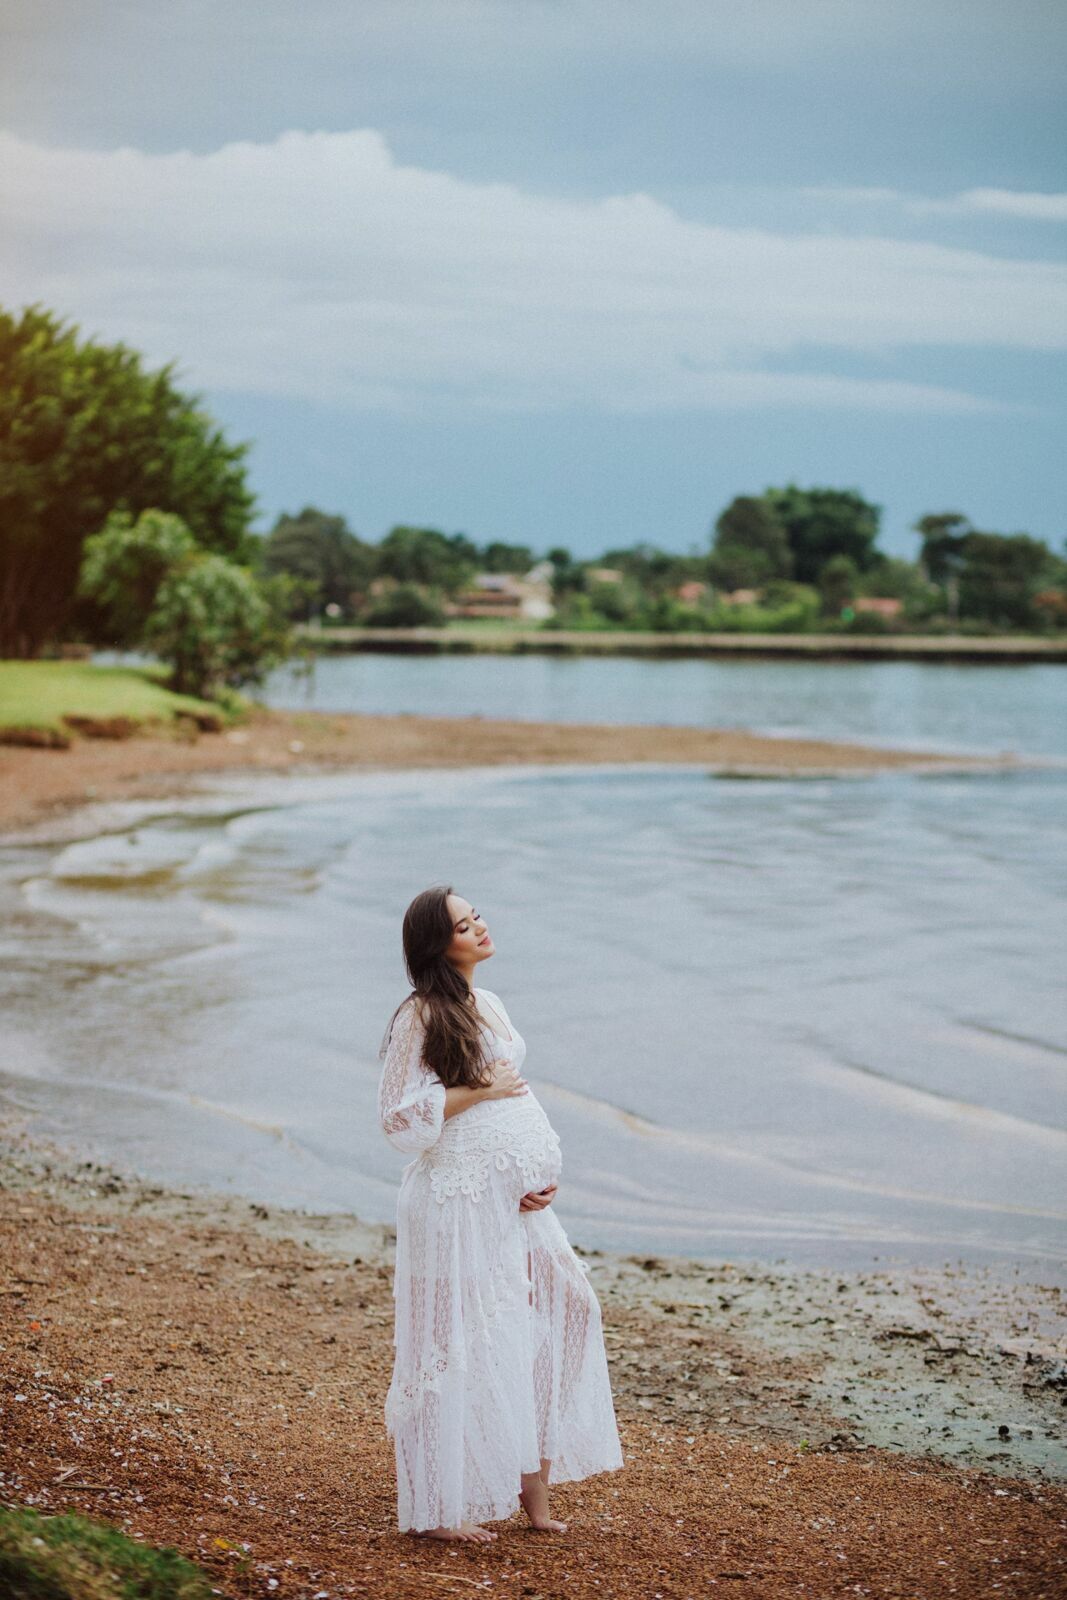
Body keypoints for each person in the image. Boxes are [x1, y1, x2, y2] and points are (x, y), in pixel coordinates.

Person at [377, 885, 625, 1542]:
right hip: (453, 1203)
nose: (480, 927)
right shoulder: (418, 1015)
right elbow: (399, 1120)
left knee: (567, 1309)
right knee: (453, 1345)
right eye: (464, 923)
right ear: (437, 943)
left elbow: (512, 1107)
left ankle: (531, 1494)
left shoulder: (486, 1002)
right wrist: (478, 1088)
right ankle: (436, 1506)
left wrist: (538, 1177)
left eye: (477, 914)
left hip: (513, 1205)